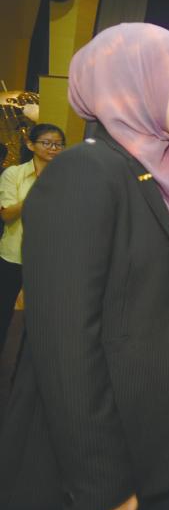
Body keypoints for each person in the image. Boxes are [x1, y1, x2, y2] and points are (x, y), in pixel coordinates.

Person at [0, 23, 169, 510]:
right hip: (111, 459)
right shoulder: (84, 172)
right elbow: (64, 342)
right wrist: (102, 480)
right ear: (130, 82)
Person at [0, 124, 64, 357]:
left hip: (47, 260)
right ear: (31, 145)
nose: (53, 148)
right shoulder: (14, 174)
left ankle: (30, 370)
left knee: (40, 319)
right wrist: (39, 192)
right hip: (12, 255)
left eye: (58, 144)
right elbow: (7, 215)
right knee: (3, 314)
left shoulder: (66, 179)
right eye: (47, 142)